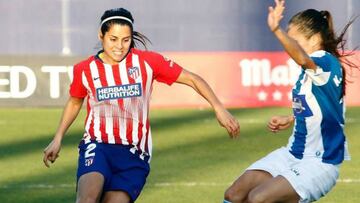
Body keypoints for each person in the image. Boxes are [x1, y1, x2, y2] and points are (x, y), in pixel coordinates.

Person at [42, 7, 240, 203]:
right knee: (87, 199)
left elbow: (193, 79)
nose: (119, 46)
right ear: (101, 35)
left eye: (125, 40)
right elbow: (75, 101)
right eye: (113, 39)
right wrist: (58, 138)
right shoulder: (85, 69)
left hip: (135, 154)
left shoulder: (147, 62)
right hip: (97, 145)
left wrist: (218, 108)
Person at [224, 0, 358, 202]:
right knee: (234, 194)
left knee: (258, 198)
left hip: (321, 162)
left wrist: (276, 30)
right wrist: (292, 117)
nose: (288, 46)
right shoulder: (311, 72)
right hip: (293, 154)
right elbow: (322, 105)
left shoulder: (326, 61)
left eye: (293, 41)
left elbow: (303, 58)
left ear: (314, 39)